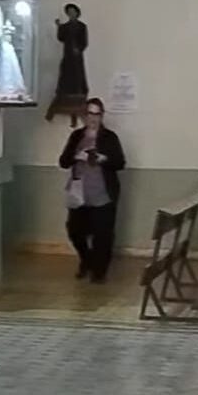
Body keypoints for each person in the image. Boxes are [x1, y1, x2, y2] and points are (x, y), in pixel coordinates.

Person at [59, 97, 125, 284]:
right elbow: (63, 161)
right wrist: (76, 156)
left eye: (97, 114)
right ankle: (87, 260)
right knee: (75, 230)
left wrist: (105, 159)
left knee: (102, 234)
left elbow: (120, 163)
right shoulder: (76, 136)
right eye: (90, 114)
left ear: (102, 116)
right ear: (84, 115)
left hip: (103, 194)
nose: (93, 118)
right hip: (80, 193)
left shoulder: (109, 137)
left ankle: (99, 271)